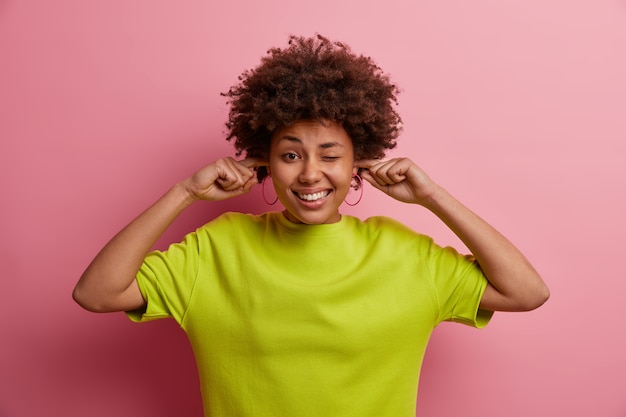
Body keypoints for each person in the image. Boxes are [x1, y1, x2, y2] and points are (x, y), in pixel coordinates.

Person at [73, 34, 549, 417]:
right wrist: (184, 193)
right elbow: (97, 294)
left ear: (357, 162)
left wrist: (432, 197)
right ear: (266, 162)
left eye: (330, 154)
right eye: (291, 154)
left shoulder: (403, 252)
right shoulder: (217, 248)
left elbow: (526, 292)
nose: (309, 174)